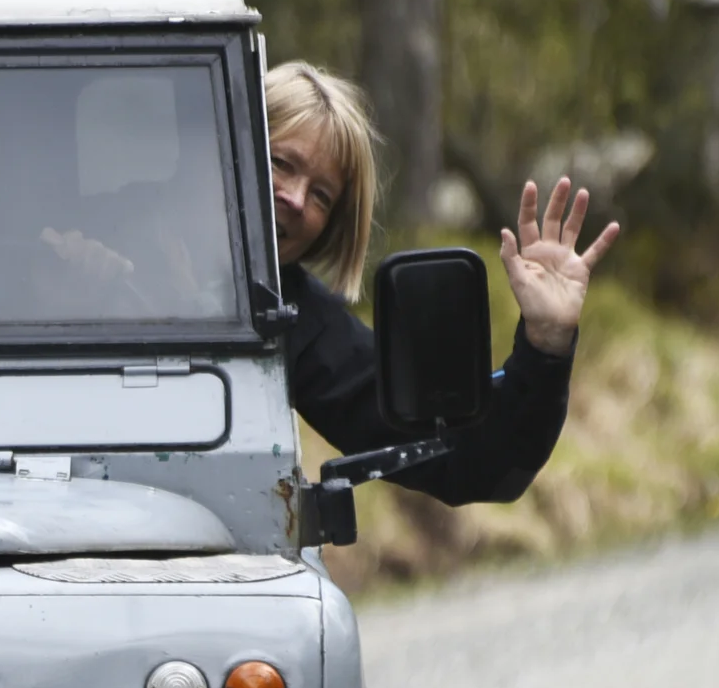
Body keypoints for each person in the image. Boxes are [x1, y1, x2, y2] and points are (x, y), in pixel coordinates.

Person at [265, 61, 618, 503]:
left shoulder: (293, 319)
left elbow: (471, 463)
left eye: (321, 195)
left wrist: (546, 344)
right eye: (280, 163)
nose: (296, 199)